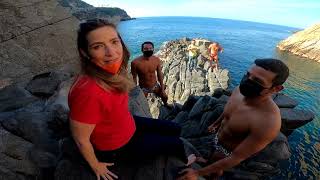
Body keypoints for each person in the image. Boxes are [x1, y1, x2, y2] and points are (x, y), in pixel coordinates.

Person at [68, 19, 201, 180]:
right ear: (84, 52)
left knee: (174, 128)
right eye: (98, 46)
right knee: (176, 144)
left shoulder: (110, 73)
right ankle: (186, 161)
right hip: (118, 145)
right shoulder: (88, 91)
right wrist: (96, 166)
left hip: (127, 123)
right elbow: (81, 139)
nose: (111, 52)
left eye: (114, 42)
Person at [178, 58, 289, 180]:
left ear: (276, 88)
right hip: (216, 138)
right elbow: (229, 110)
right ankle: (207, 161)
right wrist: (217, 122)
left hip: (227, 152)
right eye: (248, 75)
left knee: (216, 171)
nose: (248, 81)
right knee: (210, 159)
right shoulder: (239, 91)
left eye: (257, 81)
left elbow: (236, 158)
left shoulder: (268, 121)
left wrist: (197, 173)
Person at [131, 41, 168, 105]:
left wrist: (162, 89)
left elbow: (159, 75)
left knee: (164, 97)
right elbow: (134, 78)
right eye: (146, 49)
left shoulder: (156, 60)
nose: (149, 50)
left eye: (151, 48)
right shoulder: (135, 63)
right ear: (142, 50)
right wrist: (136, 91)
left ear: (153, 49)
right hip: (143, 89)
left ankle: (166, 105)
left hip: (155, 86)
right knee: (141, 104)